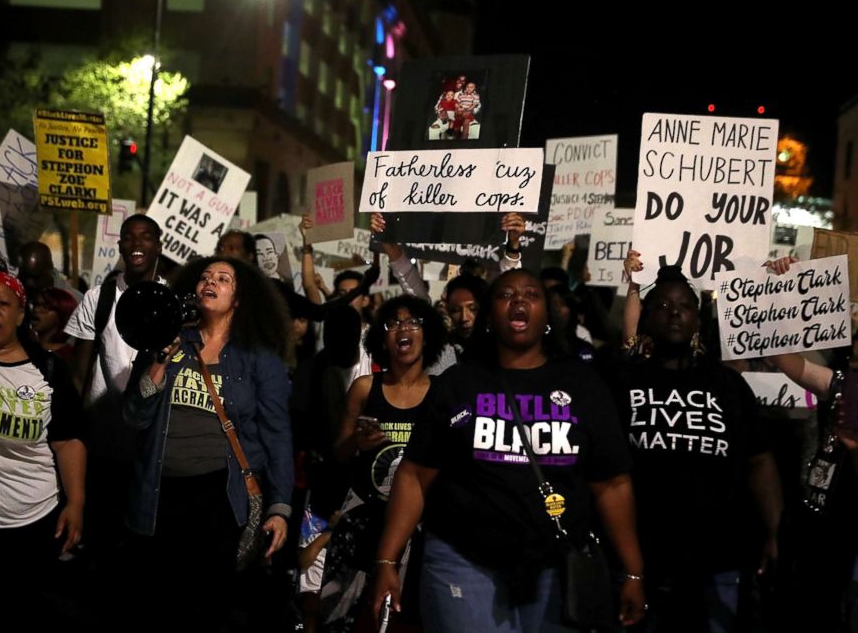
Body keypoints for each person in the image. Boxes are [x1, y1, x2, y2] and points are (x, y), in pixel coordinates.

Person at [372, 268, 646, 632]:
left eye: (531, 295)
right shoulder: (458, 384)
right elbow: (415, 476)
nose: (518, 301)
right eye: (505, 295)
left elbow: (611, 484)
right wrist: (387, 561)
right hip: (463, 561)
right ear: (489, 316)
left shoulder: (584, 387)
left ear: (548, 316)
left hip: (554, 566)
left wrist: (632, 570)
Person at [123, 256, 294, 630]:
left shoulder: (257, 357)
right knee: (160, 603)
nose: (209, 283)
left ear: (239, 298)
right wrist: (157, 365)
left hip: (219, 494)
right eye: (203, 277)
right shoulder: (167, 341)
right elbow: (133, 417)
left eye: (222, 278)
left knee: (208, 604)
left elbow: (277, 434)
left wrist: (280, 507)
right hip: (159, 491)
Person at [616, 257, 782, 632]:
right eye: (662, 306)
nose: (674, 313)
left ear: (696, 318)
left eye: (685, 306)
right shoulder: (622, 381)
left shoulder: (728, 386)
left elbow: (759, 461)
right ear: (645, 318)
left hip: (717, 560)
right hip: (643, 559)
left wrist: (774, 532)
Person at [0, 272, 86, 632]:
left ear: (19, 314)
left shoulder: (47, 370)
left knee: (21, 614)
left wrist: (75, 502)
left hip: (34, 519)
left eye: (3, 303)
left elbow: (67, 440)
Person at [320, 295, 446, 631]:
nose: (403, 329)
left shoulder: (443, 394)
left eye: (413, 322)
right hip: (363, 521)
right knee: (344, 619)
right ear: (381, 338)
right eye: (393, 324)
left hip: (417, 528)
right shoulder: (364, 388)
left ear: (428, 334)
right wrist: (356, 443)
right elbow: (339, 453)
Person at [64, 214, 164, 555]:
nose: (137, 244)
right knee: (101, 535)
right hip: (102, 441)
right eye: (129, 237)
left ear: (158, 246)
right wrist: (73, 433)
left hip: (148, 442)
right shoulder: (99, 298)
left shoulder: (169, 301)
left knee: (138, 542)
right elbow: (79, 373)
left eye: (146, 236)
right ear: (120, 245)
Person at [29, 287, 78, 362]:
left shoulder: (68, 356)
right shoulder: (24, 345)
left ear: (61, 315)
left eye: (45, 307)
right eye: (35, 304)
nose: (36, 309)